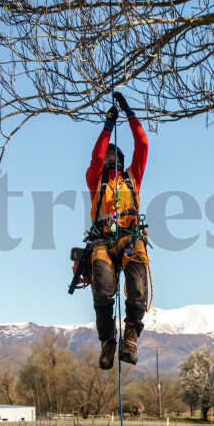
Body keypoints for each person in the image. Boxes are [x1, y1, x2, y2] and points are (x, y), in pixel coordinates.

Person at [86, 91, 149, 369]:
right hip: (103, 240)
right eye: (108, 156)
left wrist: (130, 115)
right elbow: (96, 157)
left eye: (114, 155)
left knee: (136, 286)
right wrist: (107, 127)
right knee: (102, 288)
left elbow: (142, 144)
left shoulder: (132, 177)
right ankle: (108, 342)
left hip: (131, 237)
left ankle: (131, 337)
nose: (109, 158)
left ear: (122, 163)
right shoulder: (95, 181)